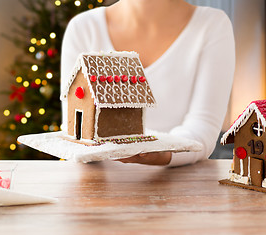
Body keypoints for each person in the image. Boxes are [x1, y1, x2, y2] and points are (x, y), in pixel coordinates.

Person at [60, 0, 235, 167]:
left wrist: (162, 152)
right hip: (95, 186)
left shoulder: (212, 25)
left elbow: (203, 126)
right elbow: (76, 125)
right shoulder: (83, 28)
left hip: (179, 186)